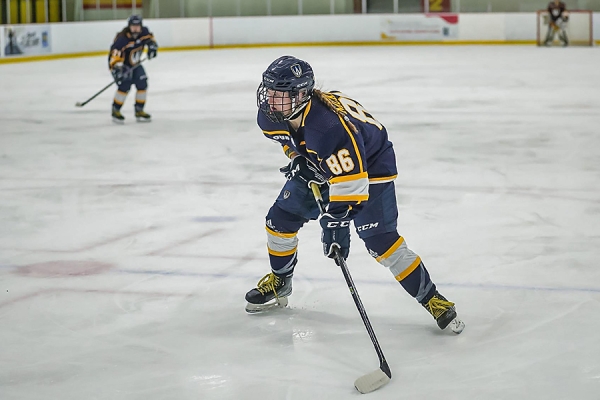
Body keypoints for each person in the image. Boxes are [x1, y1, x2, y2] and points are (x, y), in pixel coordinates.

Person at [244, 55, 465, 334]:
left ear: (301, 95)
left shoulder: (327, 128)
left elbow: (352, 183)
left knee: (380, 241)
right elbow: (290, 142)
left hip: (370, 168)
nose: (270, 101)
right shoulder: (272, 116)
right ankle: (280, 282)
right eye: (269, 91)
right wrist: (298, 157)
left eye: (280, 94)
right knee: (279, 221)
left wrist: (336, 221)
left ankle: (433, 300)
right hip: (325, 162)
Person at [108, 15, 158, 123]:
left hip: (136, 64)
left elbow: (150, 39)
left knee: (142, 83)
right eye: (133, 26)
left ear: (141, 26)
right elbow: (113, 55)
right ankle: (116, 110)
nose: (135, 28)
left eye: (137, 26)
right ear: (129, 27)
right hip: (123, 66)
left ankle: (139, 110)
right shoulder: (122, 39)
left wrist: (152, 47)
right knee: (125, 85)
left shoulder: (144, 32)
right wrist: (116, 69)